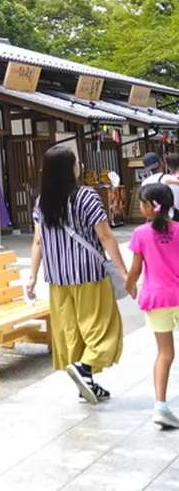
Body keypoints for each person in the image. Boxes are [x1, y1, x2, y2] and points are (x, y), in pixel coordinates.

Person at [27, 144, 128, 404]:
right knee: (104, 328)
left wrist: (32, 276)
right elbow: (105, 235)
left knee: (72, 331)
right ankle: (85, 368)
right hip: (88, 274)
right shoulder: (86, 196)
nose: (79, 166)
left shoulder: (41, 202)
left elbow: (38, 241)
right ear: (70, 169)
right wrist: (123, 270)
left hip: (57, 278)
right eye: (77, 163)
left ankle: (87, 382)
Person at [126, 183, 179, 429]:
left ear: (149, 207)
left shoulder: (141, 234)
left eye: (141, 203)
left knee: (164, 353)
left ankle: (160, 407)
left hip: (156, 299)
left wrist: (129, 286)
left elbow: (136, 269)